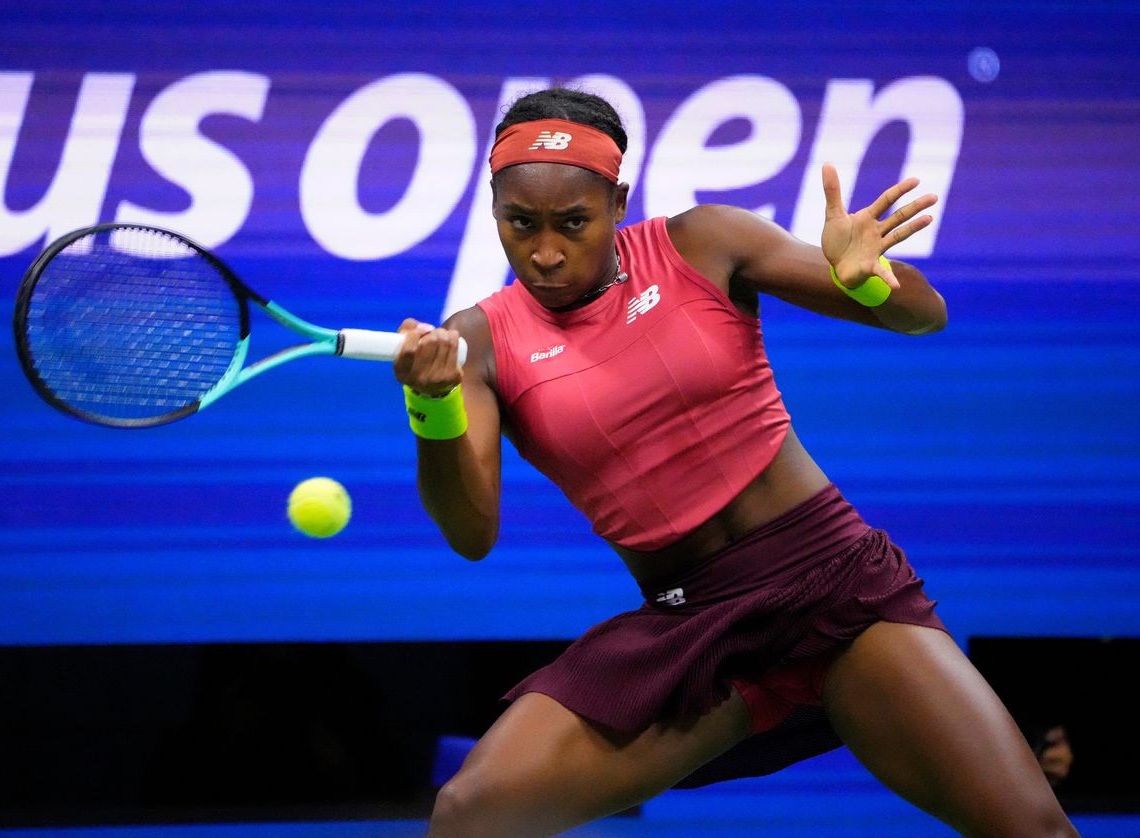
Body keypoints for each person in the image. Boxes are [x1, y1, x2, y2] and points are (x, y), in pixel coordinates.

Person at [393, 87, 1079, 837]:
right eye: (520, 223)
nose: (546, 250)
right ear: (494, 209)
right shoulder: (481, 341)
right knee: (470, 812)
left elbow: (924, 316)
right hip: (693, 623)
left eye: (573, 223)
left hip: (833, 586)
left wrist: (869, 278)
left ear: (617, 201)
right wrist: (433, 410)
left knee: (1029, 828)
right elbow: (471, 533)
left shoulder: (703, 243)